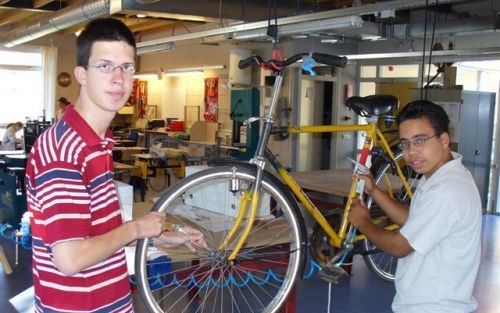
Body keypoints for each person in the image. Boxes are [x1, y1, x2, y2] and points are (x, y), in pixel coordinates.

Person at [25, 18, 205, 313]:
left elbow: (95, 233)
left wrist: (156, 233)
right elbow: (70, 258)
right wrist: (136, 228)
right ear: (81, 74)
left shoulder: (97, 145)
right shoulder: (63, 151)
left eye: (127, 67)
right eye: (105, 66)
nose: (119, 79)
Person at [348, 100, 481, 313]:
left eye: (420, 141)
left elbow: (399, 247)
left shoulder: (446, 190)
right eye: (405, 143)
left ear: (444, 139)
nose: (411, 152)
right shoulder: (439, 176)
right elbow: (415, 220)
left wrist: (363, 222)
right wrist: (374, 190)